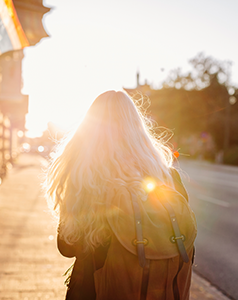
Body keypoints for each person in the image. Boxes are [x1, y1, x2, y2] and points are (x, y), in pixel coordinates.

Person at [44, 91, 196, 300]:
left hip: (94, 292)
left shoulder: (87, 178)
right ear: (137, 127)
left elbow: (67, 247)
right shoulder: (168, 176)